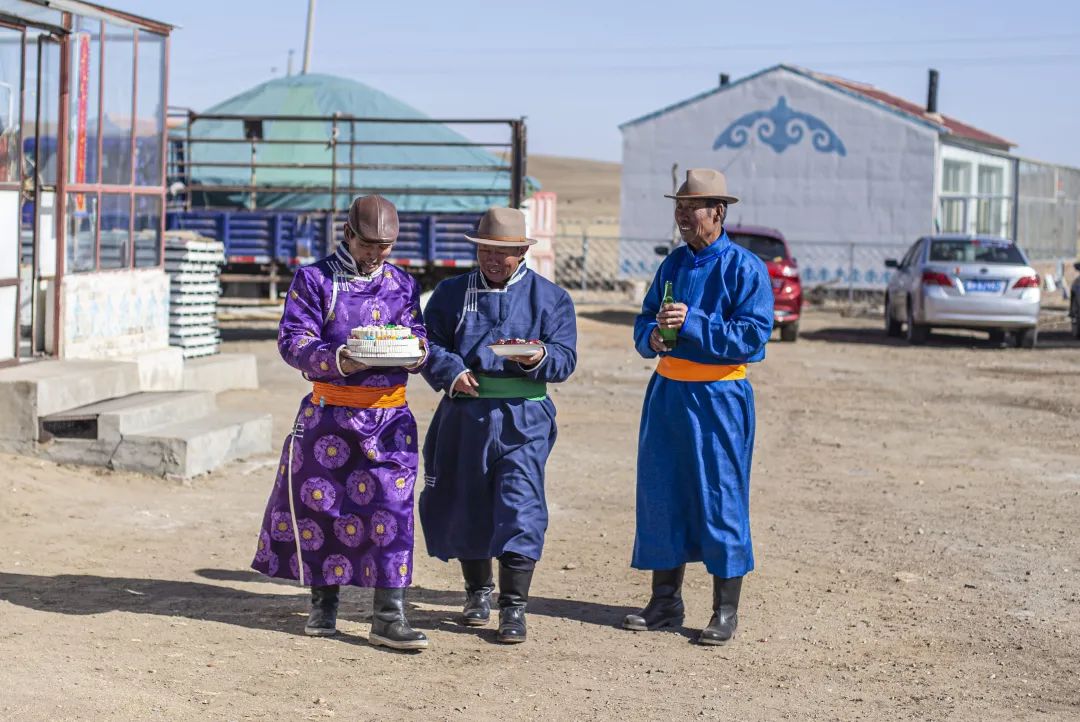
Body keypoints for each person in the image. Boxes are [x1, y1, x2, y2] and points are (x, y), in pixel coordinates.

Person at [251, 194, 430, 651]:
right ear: (348, 234)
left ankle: (389, 617)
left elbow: (416, 334)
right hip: (328, 416)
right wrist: (338, 359)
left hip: (390, 420)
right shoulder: (313, 280)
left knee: (393, 511)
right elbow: (293, 340)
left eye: (384, 246)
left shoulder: (403, 285)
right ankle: (323, 606)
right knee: (324, 509)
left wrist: (418, 353)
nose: (375, 254)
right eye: (368, 243)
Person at [623, 169, 773, 645]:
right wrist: (650, 335)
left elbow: (752, 337)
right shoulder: (671, 266)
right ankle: (664, 601)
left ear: (719, 212)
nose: (683, 217)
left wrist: (694, 322)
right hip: (667, 394)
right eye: (679, 209)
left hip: (719, 398)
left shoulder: (746, 268)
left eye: (693, 209)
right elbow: (645, 319)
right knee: (661, 492)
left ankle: (724, 611)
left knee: (720, 494)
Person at [419, 207, 577, 644]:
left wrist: (538, 356)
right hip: (464, 412)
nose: (493, 259)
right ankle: (477, 592)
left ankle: (514, 608)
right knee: (467, 499)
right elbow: (428, 343)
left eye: (503, 253)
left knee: (519, 504)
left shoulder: (551, 298)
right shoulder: (450, 294)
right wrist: (450, 371)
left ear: (521, 252)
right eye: (486, 250)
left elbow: (565, 357)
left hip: (523, 418)